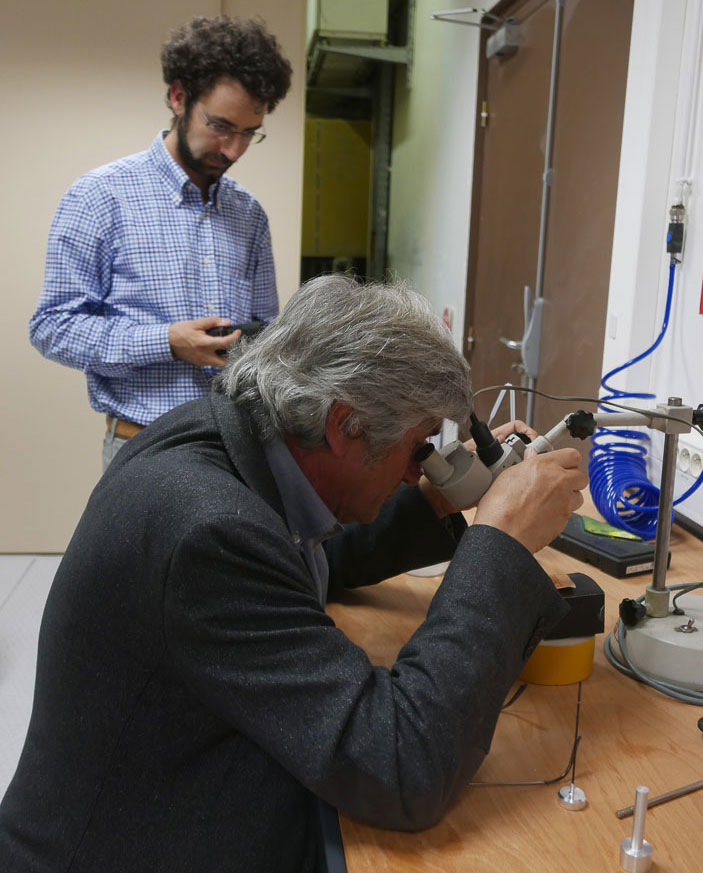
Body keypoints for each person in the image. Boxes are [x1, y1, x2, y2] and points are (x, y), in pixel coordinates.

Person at [1, 275, 588, 872]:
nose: (420, 471)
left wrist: (442, 503)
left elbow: (311, 559)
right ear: (345, 424)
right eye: (417, 449)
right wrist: (500, 542)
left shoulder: (234, 438)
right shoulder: (210, 531)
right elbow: (402, 767)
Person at [28, 15, 292, 469]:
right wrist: (167, 341)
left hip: (235, 451)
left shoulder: (249, 215)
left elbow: (266, 333)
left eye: (250, 133)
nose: (233, 150)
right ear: (178, 96)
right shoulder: (99, 197)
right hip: (141, 448)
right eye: (221, 126)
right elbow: (53, 327)